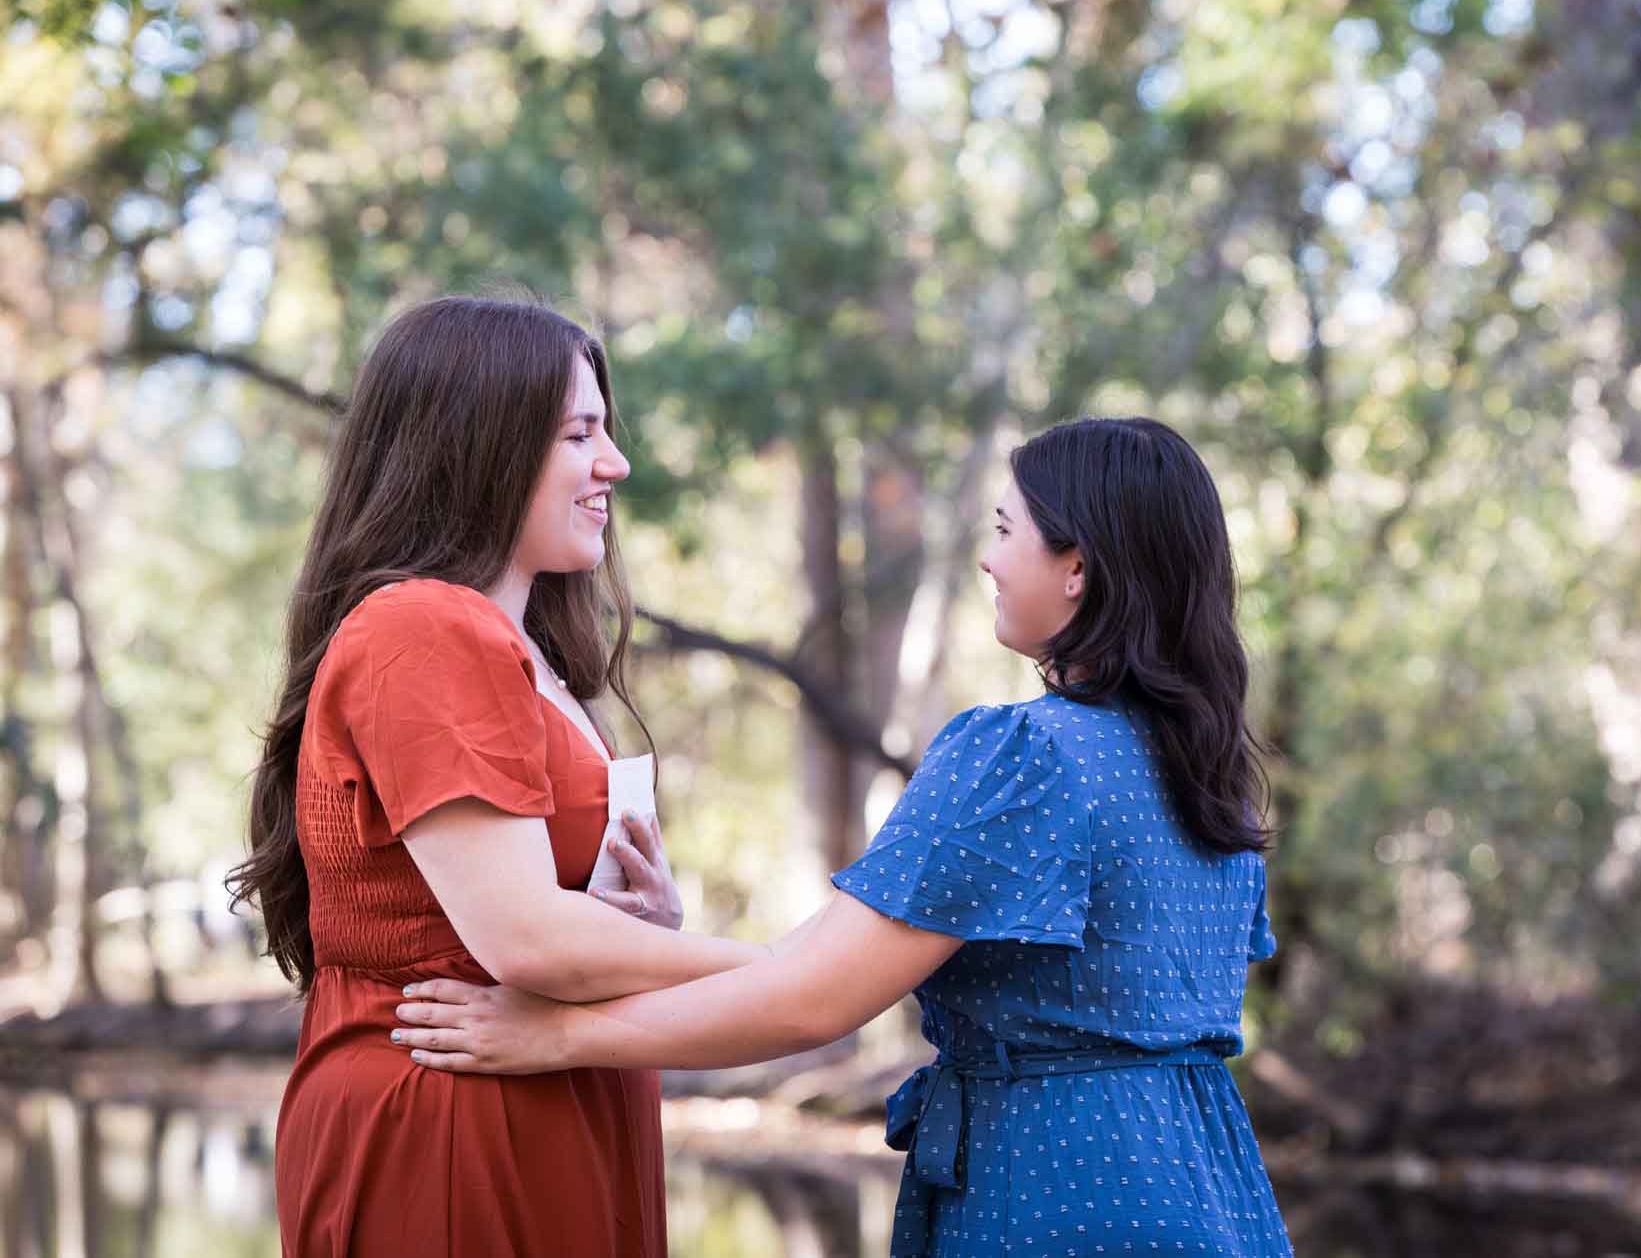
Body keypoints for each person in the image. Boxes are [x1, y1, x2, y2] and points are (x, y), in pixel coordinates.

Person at [393, 416, 1295, 1256]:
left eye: (1005, 529)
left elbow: (812, 998)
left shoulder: (1027, 754)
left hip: (1065, 1191)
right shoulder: (1202, 772)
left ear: (1078, 569)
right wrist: (652, 938)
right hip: (1211, 1180)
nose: (987, 559)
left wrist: (554, 1037)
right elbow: (815, 969)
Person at [229, 295, 773, 1258]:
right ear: (479, 446)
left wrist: (636, 928)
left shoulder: (526, 648)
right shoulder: (426, 628)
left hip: (551, 1097)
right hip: (451, 1119)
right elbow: (523, 937)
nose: (616, 464)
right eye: (580, 433)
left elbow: (533, 915)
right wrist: (794, 974)